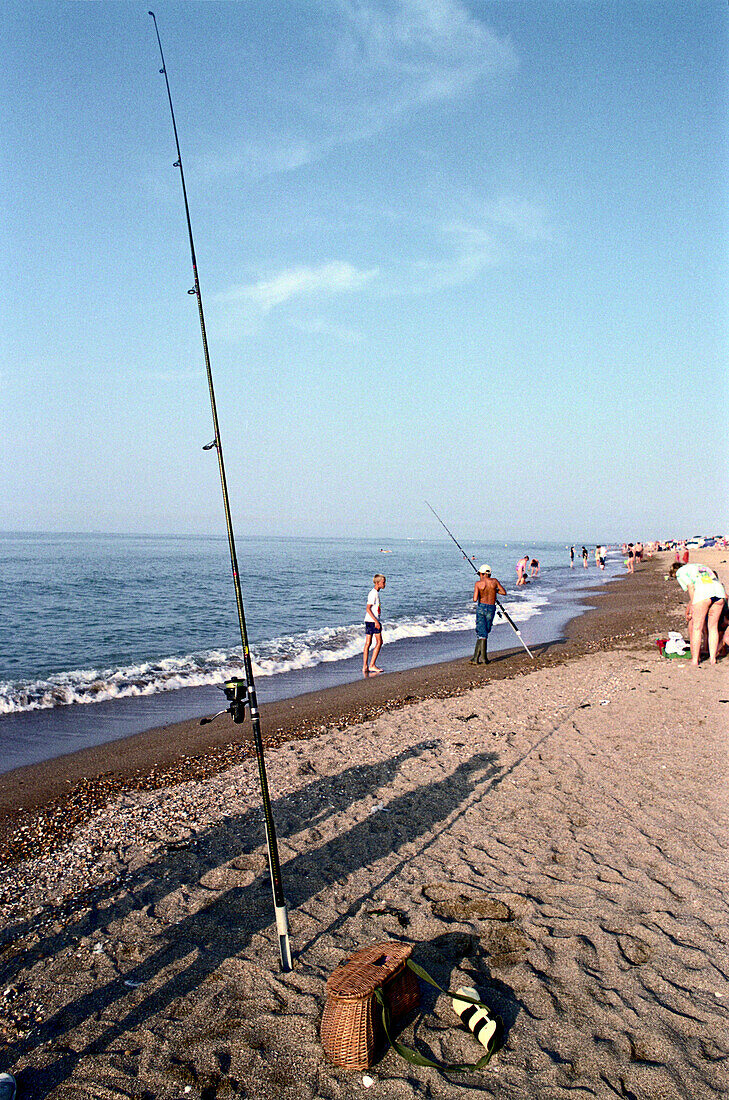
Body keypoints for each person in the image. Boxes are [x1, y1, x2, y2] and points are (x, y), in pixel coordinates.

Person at [670, 562, 727, 666]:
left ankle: (695, 660)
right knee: (713, 627)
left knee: (697, 628)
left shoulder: (680, 572)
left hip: (703, 594)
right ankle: (713, 659)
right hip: (719, 591)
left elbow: (691, 587)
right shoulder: (700, 566)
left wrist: (692, 603)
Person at [470, 565, 506, 665]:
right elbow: (503, 592)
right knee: (485, 631)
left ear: (482, 574)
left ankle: (484, 658)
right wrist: (494, 590)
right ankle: (475, 658)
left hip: (481, 607)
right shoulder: (494, 581)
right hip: (491, 607)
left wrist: (482, 591)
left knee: (482, 633)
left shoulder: (478, 583)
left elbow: (474, 598)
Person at [363, 574, 386, 675]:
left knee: (368, 643)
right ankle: (371, 665)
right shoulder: (374, 594)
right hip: (372, 621)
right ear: (377, 583)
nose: (384, 584)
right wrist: (376, 621)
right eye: (383, 582)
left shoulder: (375, 593)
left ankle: (365, 666)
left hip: (369, 621)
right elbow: (368, 608)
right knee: (379, 642)